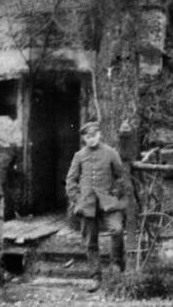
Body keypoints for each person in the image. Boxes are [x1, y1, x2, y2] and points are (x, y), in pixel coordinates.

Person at [65, 120, 126, 292]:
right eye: (87, 137)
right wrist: (77, 199)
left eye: (94, 136)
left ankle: (116, 266)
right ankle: (95, 277)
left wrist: (115, 193)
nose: (91, 139)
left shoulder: (111, 153)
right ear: (84, 138)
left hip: (108, 203)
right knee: (90, 241)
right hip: (87, 204)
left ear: (99, 134)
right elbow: (71, 180)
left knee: (117, 229)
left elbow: (121, 177)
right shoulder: (79, 155)